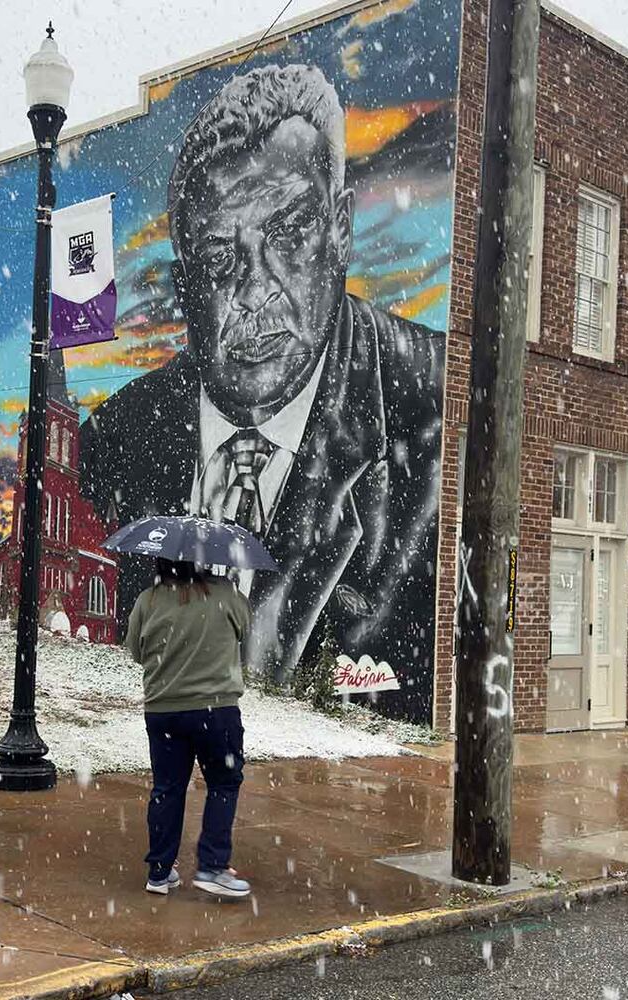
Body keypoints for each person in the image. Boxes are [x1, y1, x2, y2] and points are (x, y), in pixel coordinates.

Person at [80, 62, 446, 717]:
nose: (255, 290)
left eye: (289, 233)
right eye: (220, 258)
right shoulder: (108, 441)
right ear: (185, 287)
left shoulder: (437, 412)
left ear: (340, 229)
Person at [124, 557, 253, 899]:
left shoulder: (148, 600)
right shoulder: (226, 594)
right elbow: (244, 631)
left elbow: (136, 651)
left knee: (167, 789)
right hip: (217, 711)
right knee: (223, 783)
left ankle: (159, 872)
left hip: (164, 711)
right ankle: (212, 866)